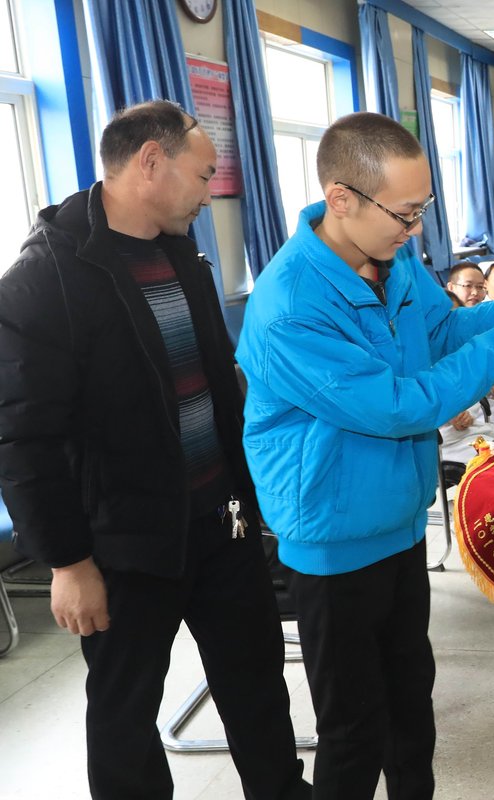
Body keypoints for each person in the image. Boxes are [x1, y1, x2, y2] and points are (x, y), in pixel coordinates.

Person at [235, 111, 494, 800]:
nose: (416, 228)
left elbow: (443, 330)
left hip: (394, 521)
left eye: (422, 210)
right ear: (341, 199)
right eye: (406, 212)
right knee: (354, 729)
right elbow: (396, 406)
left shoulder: (393, 257)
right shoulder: (290, 305)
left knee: (410, 713)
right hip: (332, 538)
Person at [0, 100, 309, 800]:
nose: (210, 190)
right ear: (150, 164)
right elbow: (24, 438)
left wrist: (252, 493)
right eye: (202, 174)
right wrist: (69, 563)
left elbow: (215, 385)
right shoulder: (43, 282)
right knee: (125, 716)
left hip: (220, 524)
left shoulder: (183, 256)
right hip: (125, 547)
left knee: (258, 687)